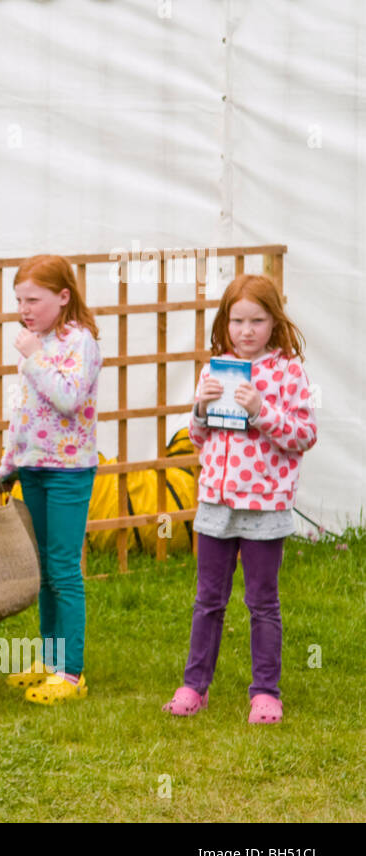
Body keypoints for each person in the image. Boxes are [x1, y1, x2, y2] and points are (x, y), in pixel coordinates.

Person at [163, 274, 316, 724]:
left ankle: (265, 691)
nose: (246, 331)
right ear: (224, 322)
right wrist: (201, 408)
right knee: (208, 599)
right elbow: (196, 436)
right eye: (237, 321)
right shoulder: (214, 369)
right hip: (216, 503)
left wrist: (261, 411)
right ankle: (195, 685)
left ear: (274, 321)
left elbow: (304, 434)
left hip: (265, 506)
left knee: (262, 602)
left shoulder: (288, 371)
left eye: (257, 320)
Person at [0, 255, 102, 705]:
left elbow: (69, 399)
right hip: (32, 467)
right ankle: (49, 659)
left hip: (69, 472)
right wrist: (7, 462)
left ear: (63, 296)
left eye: (33, 299)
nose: (24, 309)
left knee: (63, 569)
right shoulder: (35, 342)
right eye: (19, 300)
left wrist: (35, 358)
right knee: (42, 571)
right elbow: (24, 412)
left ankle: (71, 673)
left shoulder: (82, 342)